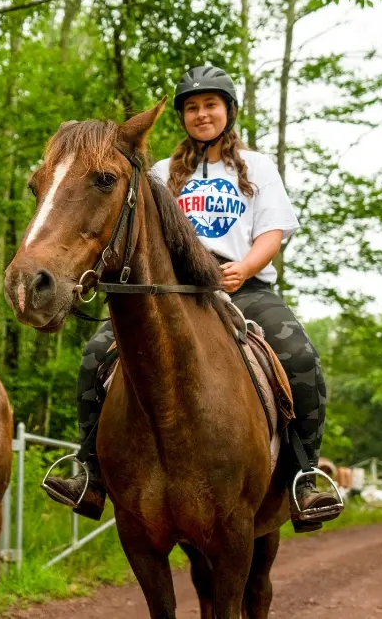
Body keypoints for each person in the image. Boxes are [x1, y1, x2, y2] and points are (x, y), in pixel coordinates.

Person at [42, 66, 341, 531]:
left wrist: (245, 268)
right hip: (174, 291)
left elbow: (273, 232)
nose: (202, 115)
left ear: (229, 111)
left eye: (211, 105)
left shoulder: (257, 167)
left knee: (300, 357)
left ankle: (305, 474)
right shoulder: (161, 172)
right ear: (183, 117)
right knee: (95, 354)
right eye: (192, 107)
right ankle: (90, 470)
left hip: (241, 285)